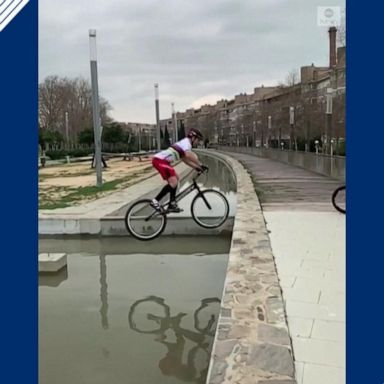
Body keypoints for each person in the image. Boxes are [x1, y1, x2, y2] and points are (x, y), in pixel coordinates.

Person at [151, 128, 206, 213]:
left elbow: (185, 160)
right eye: (198, 140)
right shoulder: (186, 143)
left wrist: (197, 168)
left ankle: (171, 204)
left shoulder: (185, 145)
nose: (198, 142)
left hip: (164, 162)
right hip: (160, 160)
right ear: (193, 137)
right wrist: (200, 164)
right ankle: (155, 201)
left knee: (176, 178)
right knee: (173, 182)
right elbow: (188, 155)